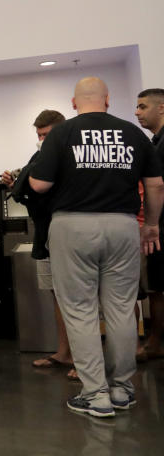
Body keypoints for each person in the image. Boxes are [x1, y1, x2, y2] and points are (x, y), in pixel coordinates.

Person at [30, 77, 163, 417]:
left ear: (74, 103)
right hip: (122, 225)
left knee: (80, 309)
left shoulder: (61, 133)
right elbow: (156, 183)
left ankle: (95, 394)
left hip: (73, 225)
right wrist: (151, 225)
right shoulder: (133, 134)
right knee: (121, 308)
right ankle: (122, 388)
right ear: (107, 99)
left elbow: (40, 184)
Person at [2, 110, 74, 374]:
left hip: (66, 232)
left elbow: (39, 187)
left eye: (46, 134)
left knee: (76, 299)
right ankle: (65, 352)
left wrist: (24, 185)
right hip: (45, 233)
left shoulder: (69, 156)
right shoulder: (41, 156)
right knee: (57, 294)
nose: (42, 139)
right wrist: (15, 185)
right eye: (39, 135)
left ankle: (84, 359)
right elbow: (27, 189)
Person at [135, 88, 164, 361]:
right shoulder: (155, 142)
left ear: (161, 108)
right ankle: (155, 341)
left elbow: (157, 185)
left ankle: (156, 342)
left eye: (143, 107)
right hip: (155, 225)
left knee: (158, 288)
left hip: (159, 225)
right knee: (156, 286)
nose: (137, 112)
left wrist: (152, 223)